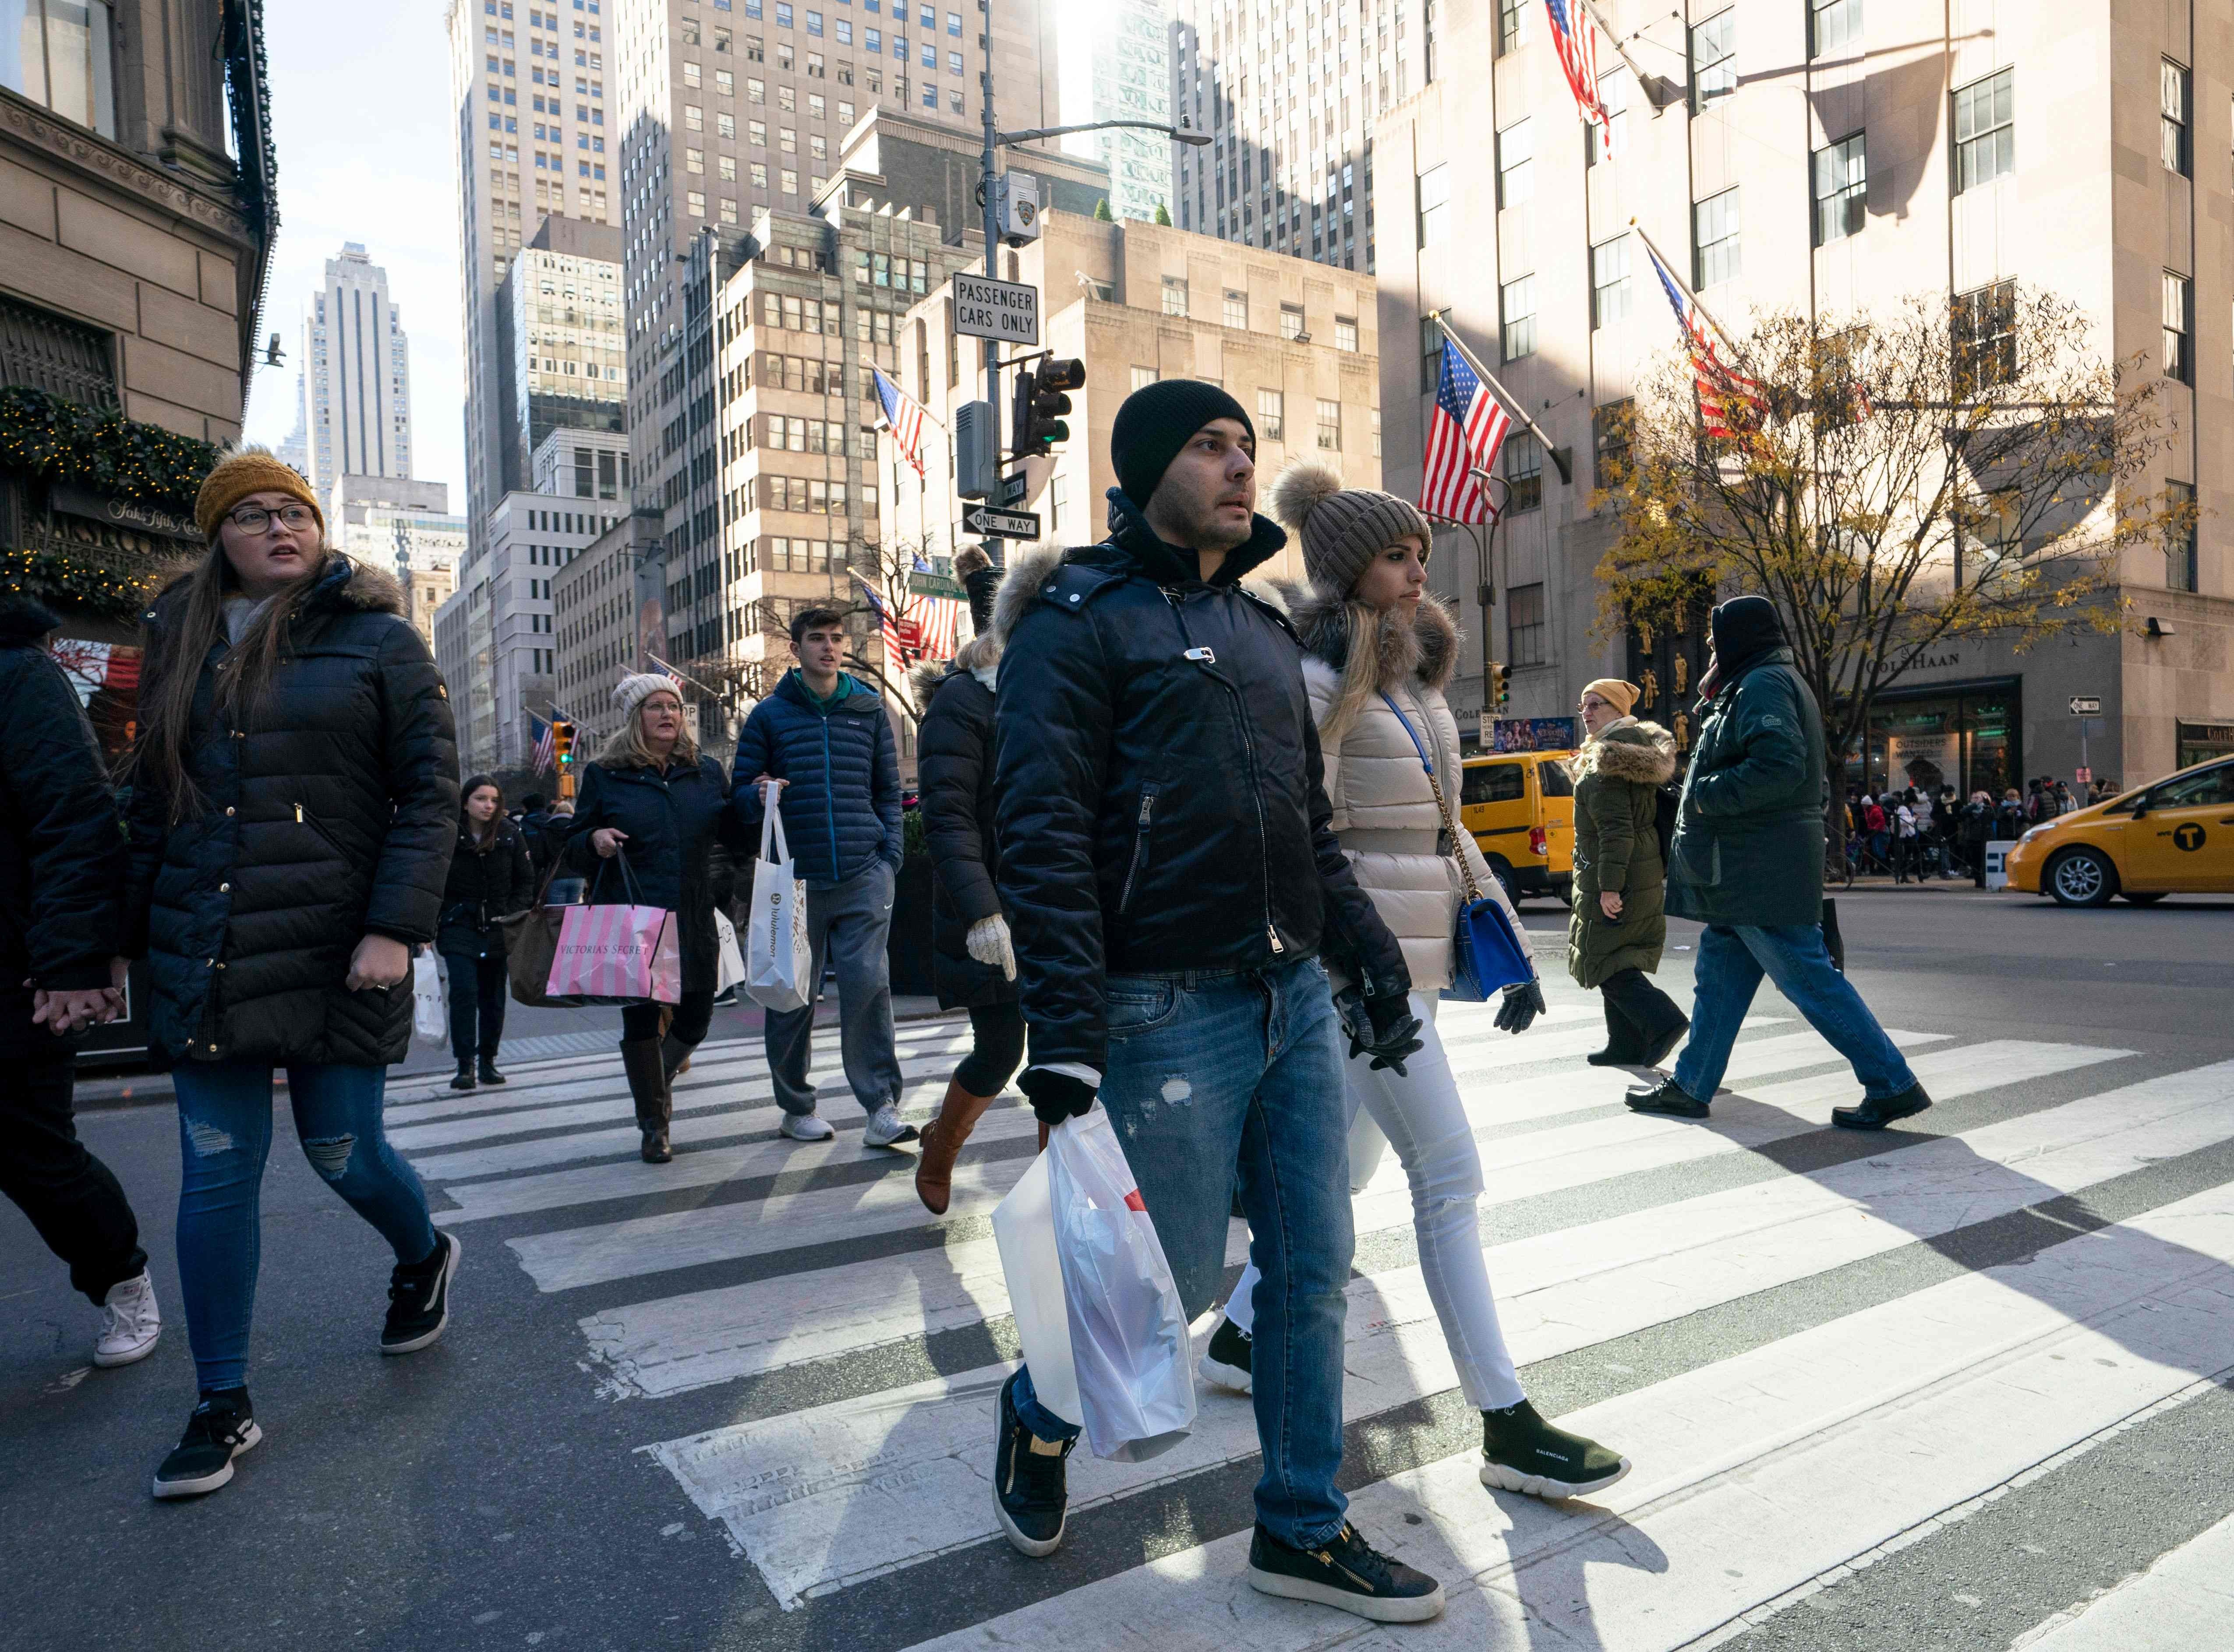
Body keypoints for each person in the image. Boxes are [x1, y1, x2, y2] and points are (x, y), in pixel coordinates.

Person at [992, 382, 1446, 1623]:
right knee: (1175, 1283)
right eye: (1208, 447)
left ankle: (1301, 1520)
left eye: (1247, 447)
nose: (1238, 467)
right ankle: (1035, 1409)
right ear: (1147, 471)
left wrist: (1370, 968)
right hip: (1157, 1004)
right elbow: (1038, 832)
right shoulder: (1077, 624)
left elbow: (1308, 825)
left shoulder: (1256, 631)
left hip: (1290, 991)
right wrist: (1066, 1038)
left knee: (1310, 1267)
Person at [1196, 463, 1626, 1503]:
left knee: (1341, 1178)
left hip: (1416, 962)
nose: (1417, 566)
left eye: (1420, 549)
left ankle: (1236, 1333)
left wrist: (1508, 939)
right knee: (1449, 1174)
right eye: (1397, 554)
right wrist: (1352, 975)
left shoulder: (1411, 681)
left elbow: (1442, 825)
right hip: (1360, 976)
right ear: (1351, 571)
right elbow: (1309, 841)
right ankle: (1506, 1418)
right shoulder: (1313, 684)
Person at [119, 449, 460, 1500]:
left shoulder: (379, 639)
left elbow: (429, 793)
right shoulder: (174, 639)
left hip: (337, 945)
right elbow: (146, 803)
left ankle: (422, 1252)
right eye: (252, 515)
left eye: (295, 512)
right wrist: (106, 944)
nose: (280, 527)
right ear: (217, 536)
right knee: (218, 1169)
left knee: (344, 1152)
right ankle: (221, 1400)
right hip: (201, 947)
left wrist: (395, 928)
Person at [1628, 596, 1930, 1132]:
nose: (1712, 648)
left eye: (1718, 639)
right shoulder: (1754, 681)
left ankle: (1892, 1083)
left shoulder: (1764, 683)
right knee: (1718, 976)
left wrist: (1702, 794)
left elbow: (1779, 766)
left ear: (1742, 637)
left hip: (1757, 866)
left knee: (1810, 980)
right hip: (1748, 868)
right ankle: (1693, 1085)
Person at [0, 591, 160, 1370]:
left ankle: (120, 1275)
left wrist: (71, 961)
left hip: (11, 965)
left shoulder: (17, 673)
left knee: (33, 1153)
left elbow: (72, 814)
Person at [731, 607, 913, 1149]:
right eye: (817, 639)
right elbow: (740, 795)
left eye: (837, 639)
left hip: (864, 872)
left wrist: (891, 857)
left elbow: (889, 790)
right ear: (797, 649)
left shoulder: (869, 709)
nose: (829, 648)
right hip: (797, 880)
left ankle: (880, 1107)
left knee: (869, 988)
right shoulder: (769, 716)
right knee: (793, 997)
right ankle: (795, 1106)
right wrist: (758, 794)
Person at [566, 675, 743, 1163]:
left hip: (695, 910)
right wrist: (593, 839)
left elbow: (733, 832)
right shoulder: (606, 774)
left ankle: (653, 1084)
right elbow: (572, 841)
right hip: (635, 912)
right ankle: (654, 1125)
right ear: (633, 718)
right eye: (655, 707)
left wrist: (758, 800)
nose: (669, 714)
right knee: (642, 1017)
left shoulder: (705, 770)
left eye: (675, 706)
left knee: (699, 1012)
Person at [910, 546, 1024, 1214]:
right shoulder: (961, 701)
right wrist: (983, 913)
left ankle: (1057, 1185)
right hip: (992, 902)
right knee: (1001, 1049)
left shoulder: (1055, 692)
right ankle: (941, 1147)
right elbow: (948, 817)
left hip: (1061, 898)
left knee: (1067, 1054)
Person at [1566, 677, 1688, 1069]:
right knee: (1618, 957)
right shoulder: (1629, 749)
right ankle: (1624, 1043)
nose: (1586, 712)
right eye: (1584, 705)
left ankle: (1663, 1022)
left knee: (1604, 959)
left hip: (1625, 873)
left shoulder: (1610, 758)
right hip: (1642, 868)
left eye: (1596, 705)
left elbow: (1616, 830)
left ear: (1619, 711)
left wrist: (1609, 887)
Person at [438, 774, 534, 1091]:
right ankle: (464, 1064)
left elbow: (525, 881)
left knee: (493, 999)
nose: (488, 806)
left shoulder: (510, 834)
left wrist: (513, 914)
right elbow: (433, 882)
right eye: (481, 799)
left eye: (494, 800)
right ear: (465, 802)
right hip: (458, 925)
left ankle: (488, 1061)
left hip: (498, 927)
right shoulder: (449, 835)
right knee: (463, 993)